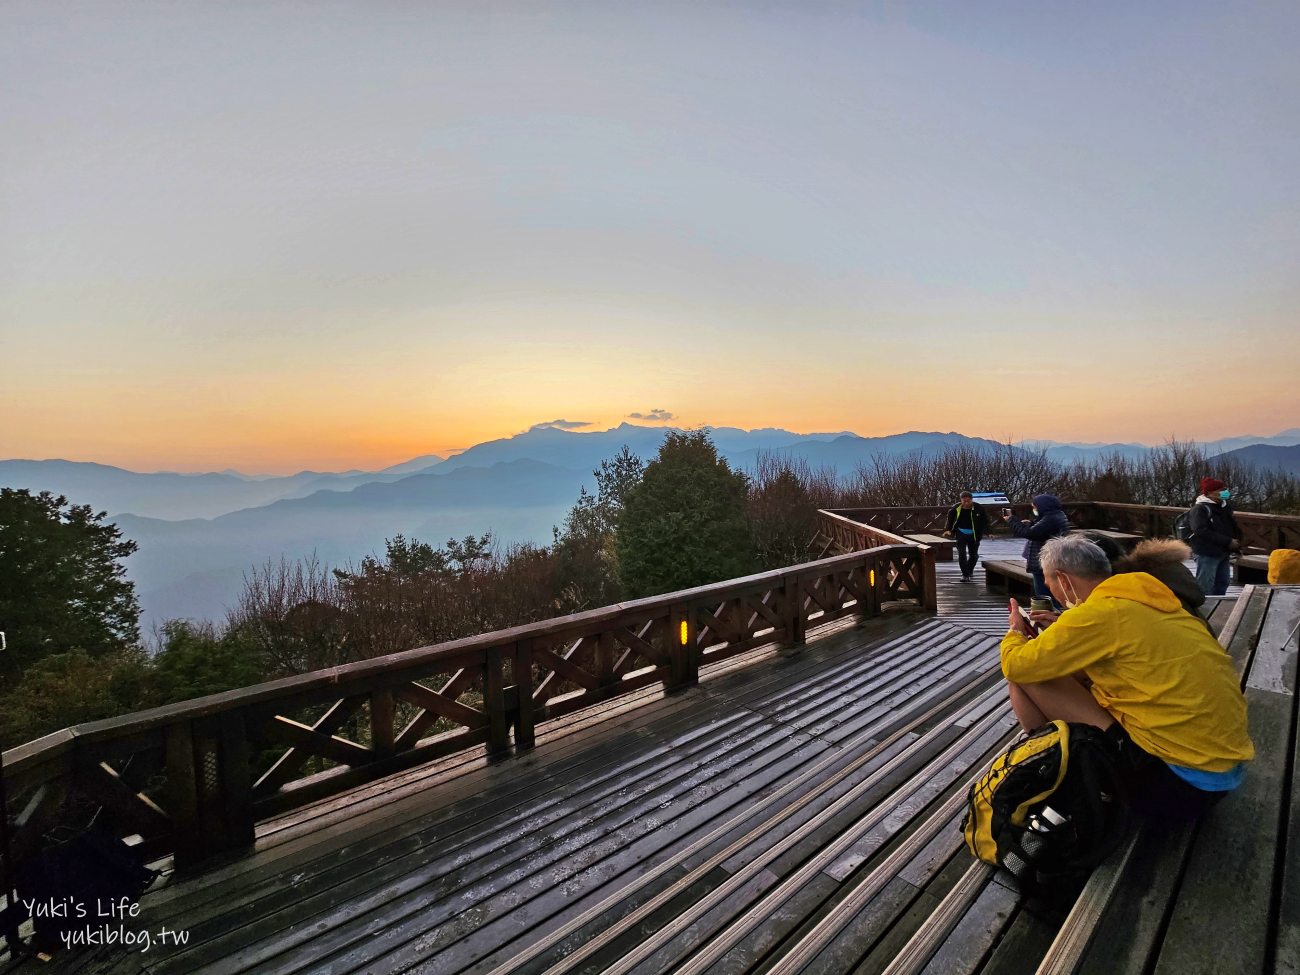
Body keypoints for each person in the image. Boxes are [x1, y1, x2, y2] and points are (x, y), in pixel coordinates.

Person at [1002, 535, 1253, 819]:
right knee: (1063, 673)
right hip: (1220, 772)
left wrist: (1016, 634)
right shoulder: (1145, 598)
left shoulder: (1099, 613)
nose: (1054, 594)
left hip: (1175, 786)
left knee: (1027, 676)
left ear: (1064, 579)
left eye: (1050, 585)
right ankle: (1058, 755)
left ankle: (1047, 763)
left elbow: (1018, 666)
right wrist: (1063, 630)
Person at [1004, 493, 1069, 603]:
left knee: (1043, 595)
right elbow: (1041, 530)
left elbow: (1030, 533)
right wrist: (1031, 523)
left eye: (1035, 507)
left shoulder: (1050, 519)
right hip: (1047, 558)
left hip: (1043, 560)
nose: (1034, 509)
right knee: (1048, 593)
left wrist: (1012, 520)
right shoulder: (1055, 515)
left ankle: (1048, 615)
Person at [1187, 477, 1242, 596]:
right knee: (1205, 584)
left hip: (1223, 551)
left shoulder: (1224, 507)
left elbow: (1231, 526)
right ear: (1210, 493)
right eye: (1221, 489)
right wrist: (1228, 541)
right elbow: (1200, 530)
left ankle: (1218, 607)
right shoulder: (1200, 509)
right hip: (1206, 552)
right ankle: (1203, 609)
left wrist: (1236, 543)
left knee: (1223, 583)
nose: (1225, 492)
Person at [944, 491, 990, 582]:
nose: (966, 503)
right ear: (961, 500)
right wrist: (948, 530)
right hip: (961, 533)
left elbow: (985, 521)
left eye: (968, 501)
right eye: (964, 501)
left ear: (972, 500)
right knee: (962, 554)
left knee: (974, 555)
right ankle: (965, 575)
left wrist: (989, 532)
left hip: (974, 534)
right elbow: (950, 520)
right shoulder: (955, 509)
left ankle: (969, 570)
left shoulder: (979, 508)